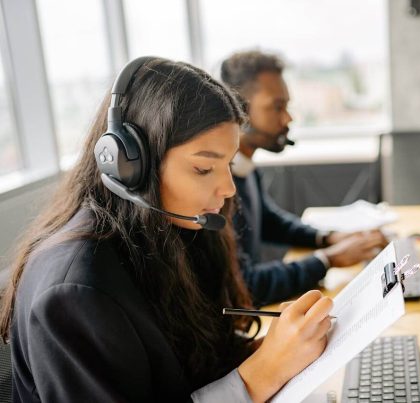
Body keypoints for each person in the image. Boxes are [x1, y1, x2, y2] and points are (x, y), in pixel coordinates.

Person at [0, 57, 333, 403]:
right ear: (132, 167)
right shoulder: (74, 291)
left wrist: (281, 348)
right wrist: (262, 373)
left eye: (228, 163)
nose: (229, 188)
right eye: (204, 168)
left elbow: (194, 369)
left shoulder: (173, 231)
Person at [220, 50, 388, 306]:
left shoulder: (244, 166)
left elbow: (269, 220)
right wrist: (327, 259)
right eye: (277, 107)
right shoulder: (219, 188)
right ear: (239, 109)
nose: (288, 118)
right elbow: (245, 285)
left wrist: (328, 238)